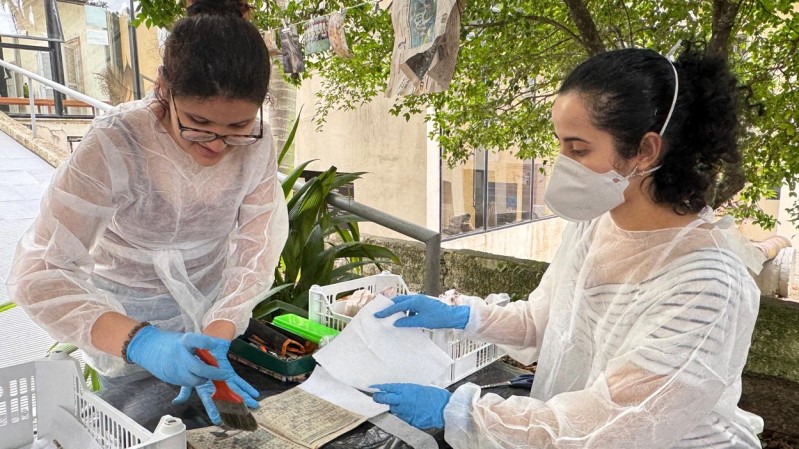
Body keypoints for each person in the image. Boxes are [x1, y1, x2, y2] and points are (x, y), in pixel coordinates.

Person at [371, 41, 766, 448]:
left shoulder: (707, 285)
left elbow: (616, 428)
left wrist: (461, 411)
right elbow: (546, 320)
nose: (561, 164)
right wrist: (462, 316)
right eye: (560, 144)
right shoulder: (595, 224)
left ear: (645, 151)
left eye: (578, 149)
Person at [6, 0, 288, 426]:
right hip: (123, 324)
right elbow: (39, 272)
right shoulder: (115, 145)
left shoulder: (258, 145)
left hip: (212, 316)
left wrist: (218, 331)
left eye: (237, 129)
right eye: (197, 123)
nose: (217, 144)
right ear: (163, 88)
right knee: (136, 420)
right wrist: (142, 342)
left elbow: (257, 247)